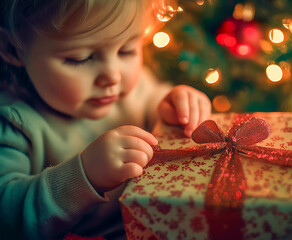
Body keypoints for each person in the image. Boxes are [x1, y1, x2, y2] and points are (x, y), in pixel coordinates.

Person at [0, 0, 211, 239]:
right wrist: (84, 175)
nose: (112, 75)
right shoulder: (14, 123)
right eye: (80, 58)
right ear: (13, 49)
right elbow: (7, 221)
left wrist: (174, 105)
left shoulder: (134, 86)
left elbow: (154, 101)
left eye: (126, 50)